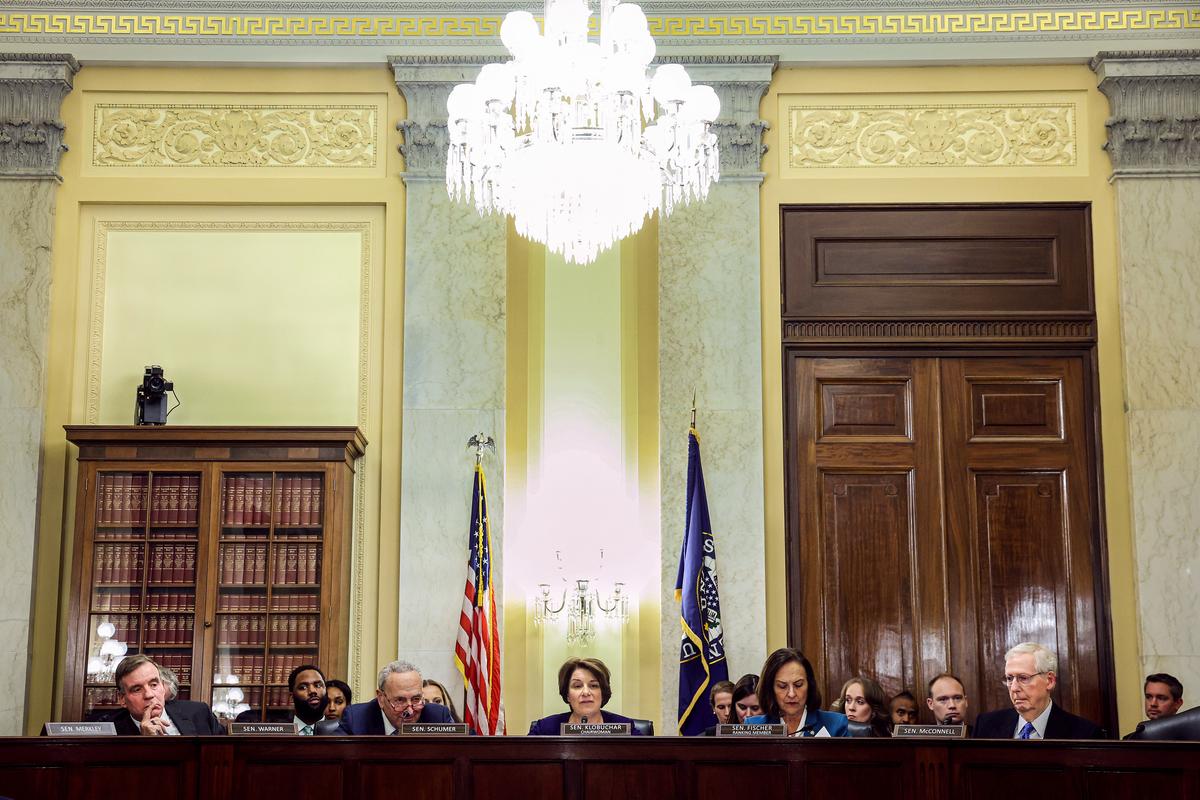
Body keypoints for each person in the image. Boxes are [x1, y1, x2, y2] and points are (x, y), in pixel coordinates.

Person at [973, 642, 1105, 739]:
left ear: (1050, 681)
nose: (1014, 688)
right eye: (1009, 678)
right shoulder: (986, 726)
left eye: (1023, 678)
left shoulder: (1084, 733)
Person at [109, 654, 225, 735]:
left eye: (154, 685)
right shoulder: (110, 732)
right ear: (122, 699)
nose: (149, 695)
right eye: (137, 689)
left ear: (163, 687)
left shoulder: (200, 713)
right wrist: (144, 743)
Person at [746, 648, 850, 737]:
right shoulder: (753, 727)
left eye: (798, 685)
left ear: (809, 685)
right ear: (770, 689)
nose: (791, 694)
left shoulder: (836, 725)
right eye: (782, 686)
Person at [527, 657, 646, 735]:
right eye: (577, 686)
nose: (586, 692)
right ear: (567, 695)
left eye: (593, 686)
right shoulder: (544, 729)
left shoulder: (626, 728)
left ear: (603, 693)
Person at [337, 660, 456, 734]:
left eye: (416, 699)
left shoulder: (437, 716)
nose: (410, 711)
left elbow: (468, 746)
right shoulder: (356, 719)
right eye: (400, 700)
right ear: (381, 698)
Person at [288, 664, 329, 735]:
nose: (312, 691)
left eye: (318, 685)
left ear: (326, 690)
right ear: (292, 697)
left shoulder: (340, 730)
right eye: (303, 687)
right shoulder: (278, 732)